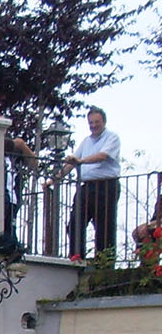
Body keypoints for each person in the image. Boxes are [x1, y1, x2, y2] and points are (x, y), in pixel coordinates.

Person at [63, 108, 122, 260]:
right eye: (91, 123)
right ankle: (77, 258)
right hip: (88, 186)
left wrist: (81, 161)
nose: (93, 125)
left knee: (104, 227)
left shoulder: (112, 137)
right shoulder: (86, 141)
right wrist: (55, 178)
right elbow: (73, 161)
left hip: (106, 186)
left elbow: (102, 156)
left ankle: (104, 263)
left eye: (97, 122)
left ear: (104, 122)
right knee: (75, 224)